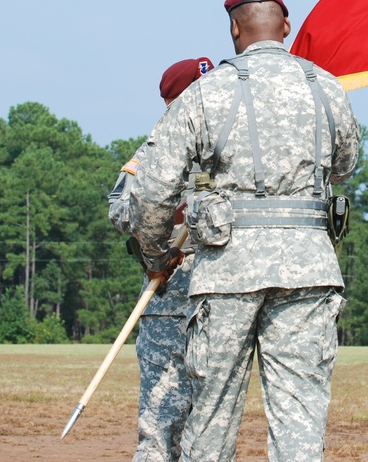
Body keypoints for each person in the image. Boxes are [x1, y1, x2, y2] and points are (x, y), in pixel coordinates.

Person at [116, 0, 360, 462]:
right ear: (285, 26)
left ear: (233, 27)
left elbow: (154, 190)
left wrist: (155, 256)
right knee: (301, 414)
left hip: (228, 272)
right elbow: (347, 162)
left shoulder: (207, 92)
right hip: (308, 269)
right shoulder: (326, 86)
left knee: (212, 414)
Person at [109, 56, 213, 462]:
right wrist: (165, 213)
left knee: (210, 420)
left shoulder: (224, 149)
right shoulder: (152, 151)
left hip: (218, 297)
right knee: (160, 420)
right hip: (168, 294)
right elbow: (118, 209)